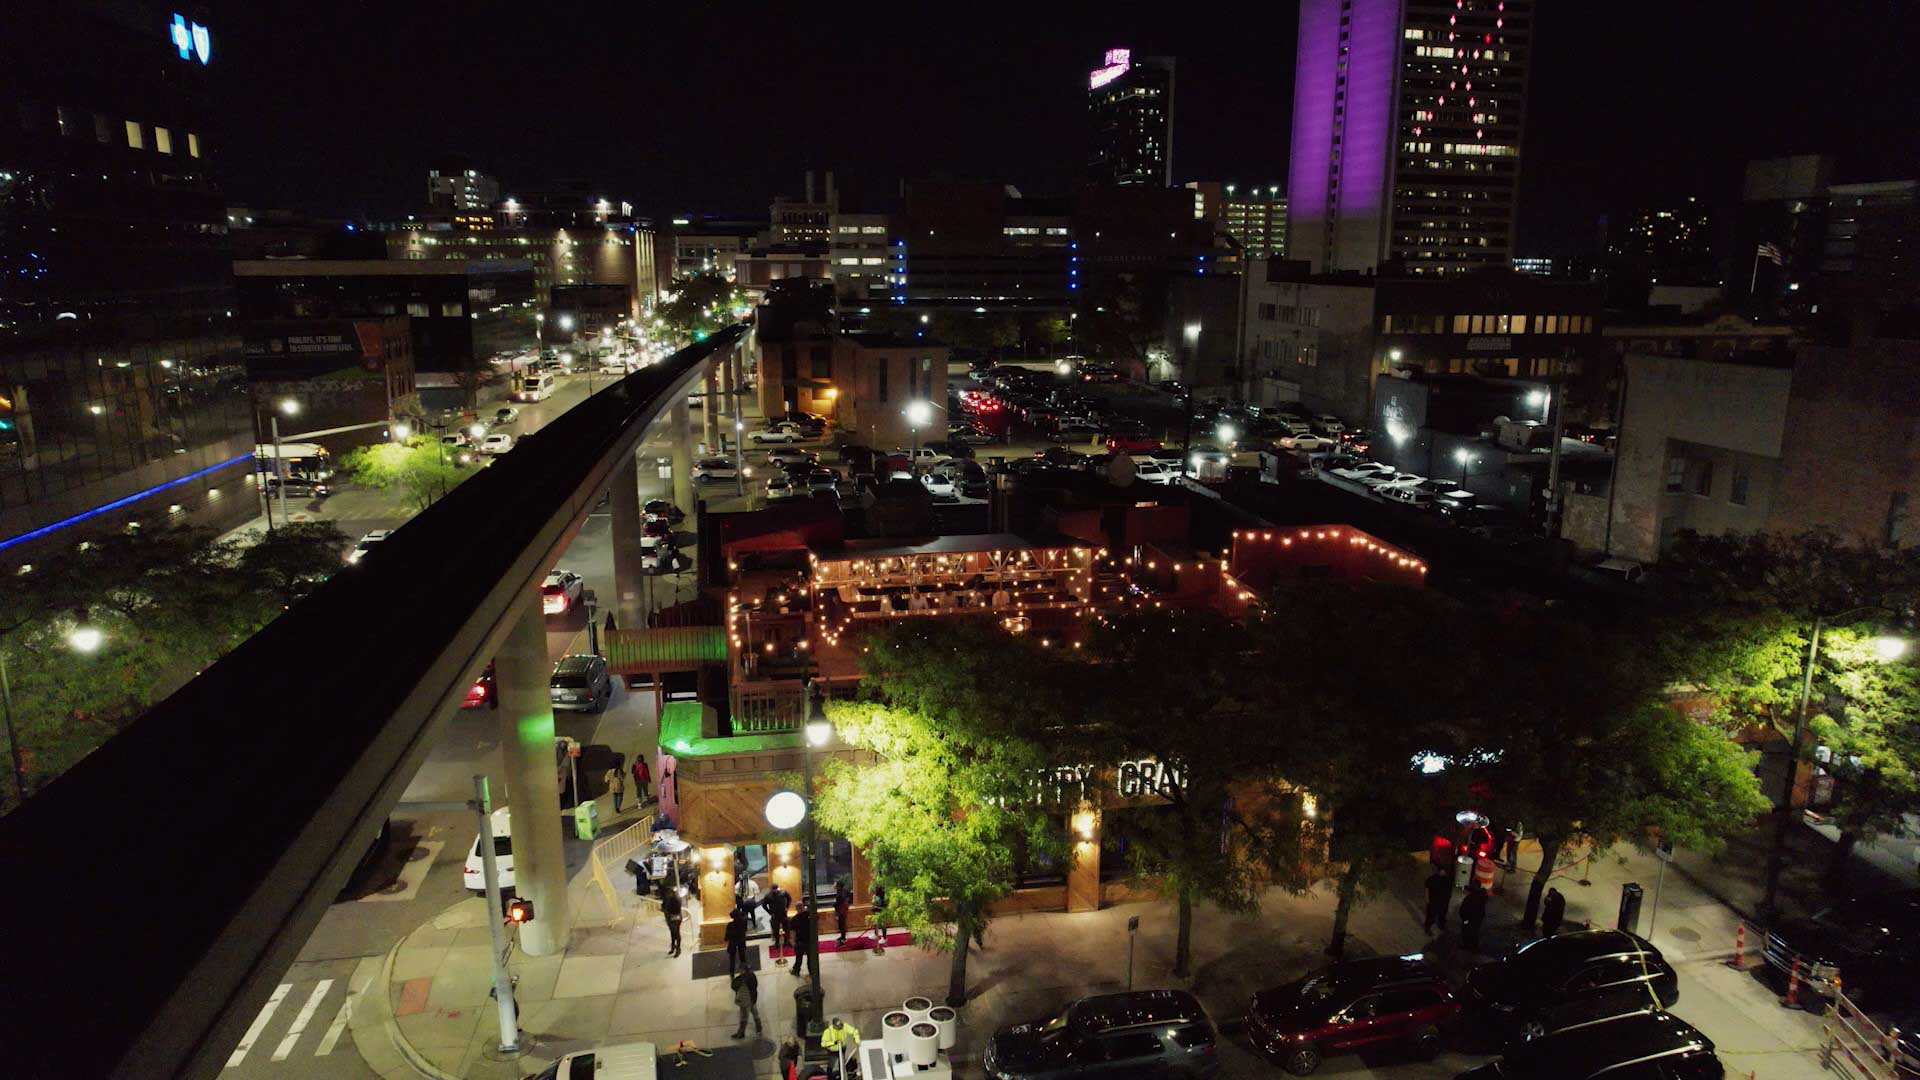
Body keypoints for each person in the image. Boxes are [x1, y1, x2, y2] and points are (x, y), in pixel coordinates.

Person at [764, 882, 792, 963]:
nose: (775, 891)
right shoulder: (768, 896)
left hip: (783, 913)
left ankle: (787, 941)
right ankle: (777, 942)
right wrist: (770, 912)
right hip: (775, 915)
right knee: (775, 929)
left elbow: (789, 898)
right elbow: (764, 905)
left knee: (786, 928)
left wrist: (787, 907)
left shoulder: (783, 892)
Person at [730, 969, 763, 1039]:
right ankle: (759, 1029)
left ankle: (741, 1033)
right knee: (755, 1013)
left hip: (745, 1001)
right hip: (752, 999)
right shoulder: (752, 976)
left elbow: (733, 986)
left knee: (744, 1017)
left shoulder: (741, 980)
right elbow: (755, 986)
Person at [1459, 882, 1489, 952]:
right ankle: (1474, 947)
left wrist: (1464, 919)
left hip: (1469, 919)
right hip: (1478, 919)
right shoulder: (1482, 895)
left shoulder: (1471, 898)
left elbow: (1465, 910)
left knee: (1466, 931)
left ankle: (1466, 945)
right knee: (1474, 932)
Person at [1422, 869, 1452, 935]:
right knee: (1431, 915)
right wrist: (1427, 899)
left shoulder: (1446, 880)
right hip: (1434, 901)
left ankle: (1441, 925)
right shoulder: (1433, 879)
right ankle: (1428, 928)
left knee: (1441, 915)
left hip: (1441, 901)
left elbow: (1449, 892)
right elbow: (1427, 889)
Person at [790, 901, 816, 978]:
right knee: (810, 959)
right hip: (810, 941)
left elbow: (793, 931)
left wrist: (793, 941)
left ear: (796, 909)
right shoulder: (810, 915)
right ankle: (812, 973)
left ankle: (796, 971)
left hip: (800, 941)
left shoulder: (794, 919)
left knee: (798, 958)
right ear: (803, 906)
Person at [725, 907, 749, 975]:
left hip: (733, 942)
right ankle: (744, 970)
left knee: (732, 958)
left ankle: (732, 972)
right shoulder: (743, 922)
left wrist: (726, 938)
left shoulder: (730, 925)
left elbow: (727, 935)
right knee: (742, 956)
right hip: (741, 940)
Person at [662, 889, 684, 957]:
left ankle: (677, 948)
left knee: (676, 933)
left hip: (673, 918)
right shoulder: (676, 898)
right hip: (673, 917)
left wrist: (666, 911)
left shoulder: (673, 899)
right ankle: (674, 946)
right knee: (673, 932)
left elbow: (665, 907)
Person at [869, 884, 889, 950]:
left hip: (882, 912)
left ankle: (884, 938)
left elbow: (885, 906)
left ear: (880, 890)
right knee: (875, 923)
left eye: (877, 890)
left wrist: (877, 907)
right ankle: (876, 934)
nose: (875, 891)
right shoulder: (875, 895)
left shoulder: (884, 896)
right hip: (876, 912)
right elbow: (873, 903)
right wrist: (873, 908)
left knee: (883, 925)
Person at [833, 878, 852, 946]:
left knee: (841, 925)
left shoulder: (840, 894)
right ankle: (842, 936)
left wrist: (834, 904)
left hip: (841, 911)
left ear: (838, 885)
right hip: (844, 910)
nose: (834, 885)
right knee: (842, 924)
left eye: (835, 884)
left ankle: (843, 940)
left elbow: (838, 903)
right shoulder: (845, 890)